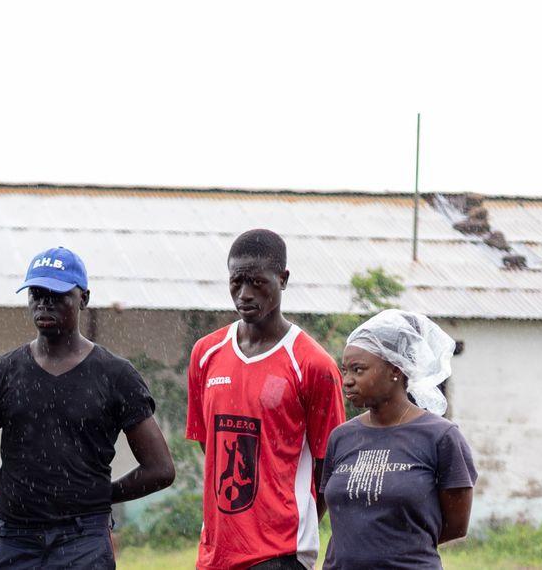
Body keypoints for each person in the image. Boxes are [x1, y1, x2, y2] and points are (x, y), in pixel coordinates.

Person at [0, 246, 175, 570]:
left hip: (83, 542)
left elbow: (160, 469)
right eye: (36, 293)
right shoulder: (3, 371)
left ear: (83, 298)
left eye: (57, 294)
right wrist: (24, 493)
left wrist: (99, 496)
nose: (44, 302)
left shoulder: (115, 375)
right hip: (16, 541)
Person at [186, 229, 346, 570]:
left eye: (257, 283)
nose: (244, 294)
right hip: (216, 553)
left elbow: (328, 464)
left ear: (283, 279)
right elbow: (210, 445)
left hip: (280, 554)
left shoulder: (312, 365)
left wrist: (293, 526)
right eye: (236, 282)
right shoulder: (205, 353)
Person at [322, 310, 477, 569]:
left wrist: (395, 550)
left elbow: (455, 526)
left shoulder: (440, 437)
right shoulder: (341, 437)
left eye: (358, 370)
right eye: (345, 370)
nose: (347, 381)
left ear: (395, 369)